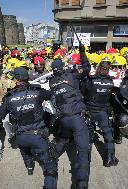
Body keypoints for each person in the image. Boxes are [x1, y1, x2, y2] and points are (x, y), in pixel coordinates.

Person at [0, 67, 58, 189]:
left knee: (25, 151)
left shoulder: (8, 97)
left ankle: (30, 168)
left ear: (16, 80)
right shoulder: (38, 91)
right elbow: (52, 95)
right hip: (38, 135)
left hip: (21, 136)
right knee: (51, 167)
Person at [49, 45, 91, 189]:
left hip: (63, 120)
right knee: (83, 150)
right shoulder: (72, 74)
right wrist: (82, 53)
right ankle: (81, 184)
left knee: (64, 139)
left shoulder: (51, 82)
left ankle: (51, 156)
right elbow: (87, 67)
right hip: (77, 118)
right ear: (64, 67)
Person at [81, 59, 118, 167]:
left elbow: (83, 92)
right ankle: (110, 159)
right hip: (102, 111)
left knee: (88, 135)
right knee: (108, 134)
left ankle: (86, 160)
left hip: (90, 110)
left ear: (99, 68)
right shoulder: (111, 82)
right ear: (107, 70)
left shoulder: (90, 80)